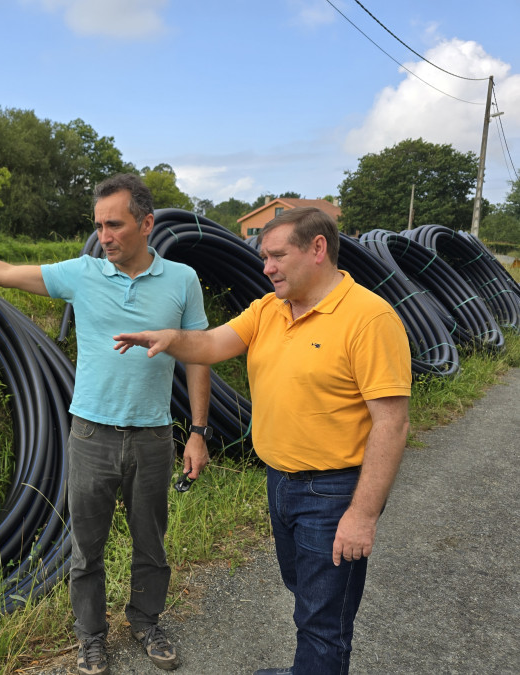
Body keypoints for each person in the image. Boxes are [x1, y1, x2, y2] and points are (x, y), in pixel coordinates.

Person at [0, 173, 212, 674]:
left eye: (115, 225)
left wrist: (197, 432)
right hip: (91, 436)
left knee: (151, 544)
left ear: (147, 223)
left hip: (154, 436)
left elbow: (200, 357)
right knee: (86, 549)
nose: (104, 236)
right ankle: (91, 637)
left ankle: (147, 622)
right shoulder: (82, 274)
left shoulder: (182, 281)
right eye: (98, 226)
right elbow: (1, 271)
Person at [114, 207, 411, 675]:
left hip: (334, 493)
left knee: (324, 619)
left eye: (276, 256)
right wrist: (169, 337)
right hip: (281, 482)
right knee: (306, 595)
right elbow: (210, 345)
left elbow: (392, 424)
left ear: (317, 250)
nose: (266, 266)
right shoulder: (269, 310)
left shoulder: (369, 318)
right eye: (263, 257)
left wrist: (363, 514)